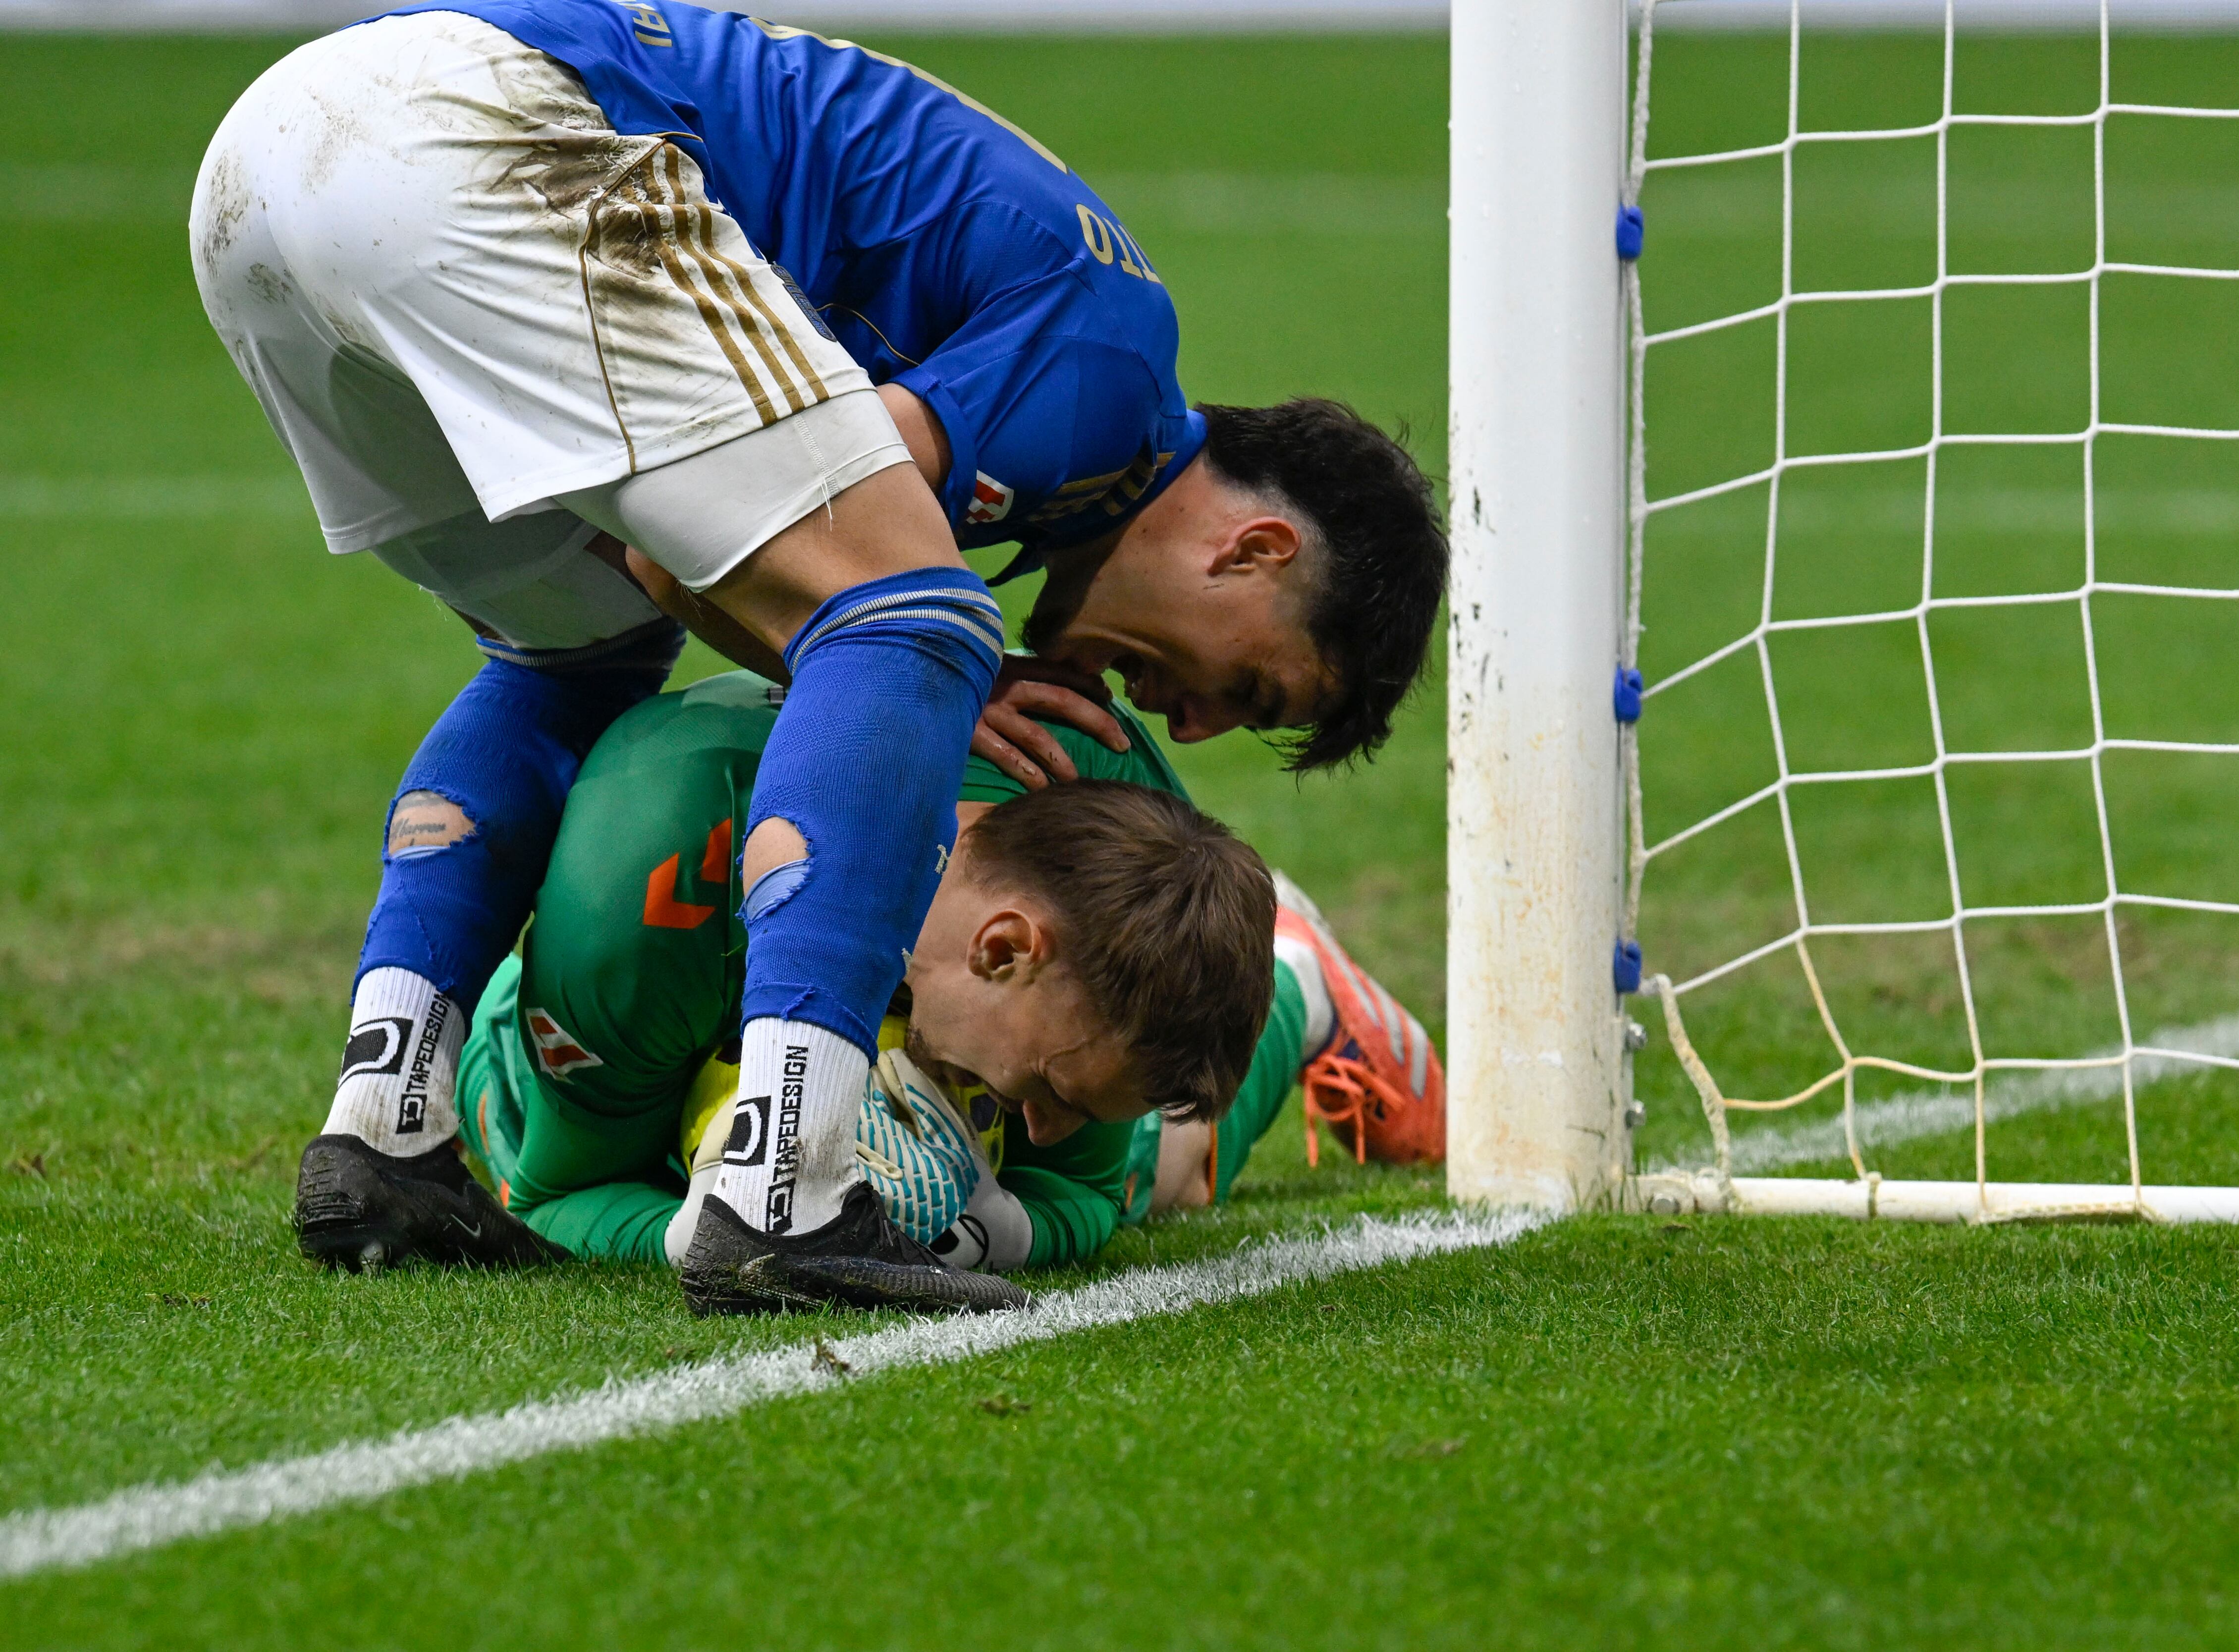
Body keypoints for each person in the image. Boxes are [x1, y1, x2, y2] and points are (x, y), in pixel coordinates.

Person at [189, 2, 1449, 1309]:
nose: (1188, 730)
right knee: (920, 620)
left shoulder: (1061, 407)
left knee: (569, 654)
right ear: (1254, 552)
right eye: (1250, 688)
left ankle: (384, 1127)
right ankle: (785, 1180)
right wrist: (934, 676)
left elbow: (664, 575)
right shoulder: (1113, 371)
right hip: (492, 132)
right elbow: (786, 577)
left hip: (280, 170)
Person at [447, 673, 1445, 1292]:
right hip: (638, 1033)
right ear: (1005, 948)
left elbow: (1085, 1189)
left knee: (1158, 1174)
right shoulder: (649, 878)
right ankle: (1301, 980)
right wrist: (697, 1222)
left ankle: (1299, 991)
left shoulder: (1102, 808)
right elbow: (560, 1191)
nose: (1046, 1128)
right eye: (1053, 1095)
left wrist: (989, 1225)